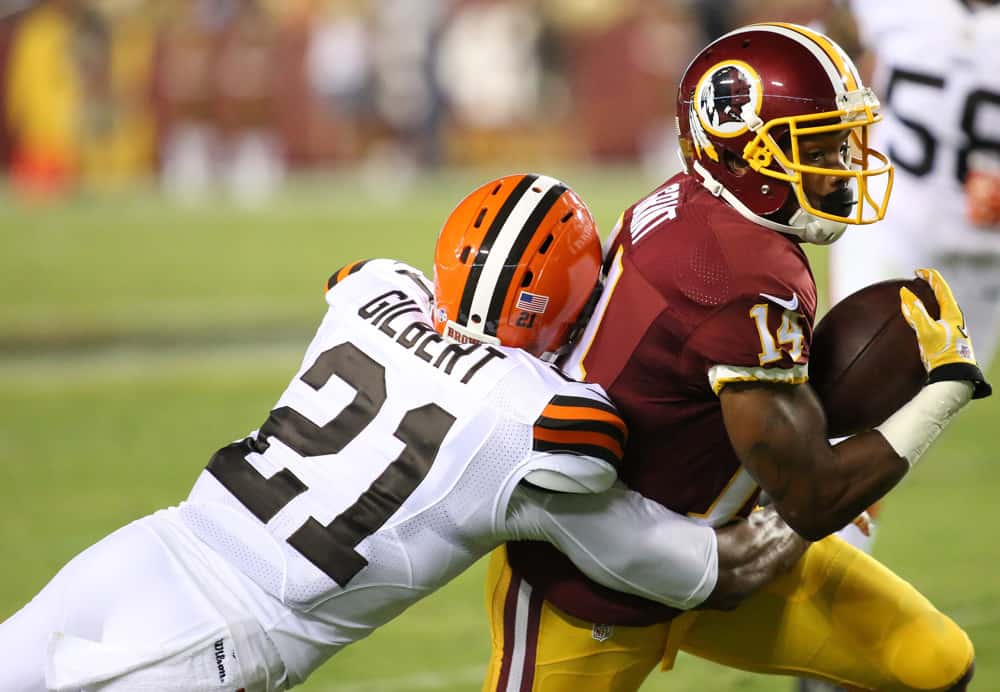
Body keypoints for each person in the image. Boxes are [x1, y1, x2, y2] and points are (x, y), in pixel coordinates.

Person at [0, 173, 808, 691]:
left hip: (145, 552)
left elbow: (361, 283)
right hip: (222, 637)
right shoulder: (536, 422)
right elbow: (699, 570)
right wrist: (817, 483)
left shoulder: (378, 292)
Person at [483, 23, 993, 692]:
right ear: (742, 153)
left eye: (840, 140)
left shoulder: (709, 210)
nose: (841, 164)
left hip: (728, 548)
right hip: (590, 581)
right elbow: (813, 498)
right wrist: (945, 385)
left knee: (931, 662)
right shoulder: (733, 275)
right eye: (816, 146)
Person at [798, 3, 1000, 690]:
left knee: (917, 424)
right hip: (895, 221)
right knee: (852, 411)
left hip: (987, 260)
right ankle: (816, 623)